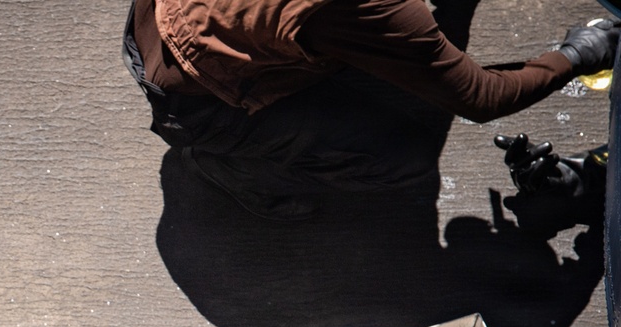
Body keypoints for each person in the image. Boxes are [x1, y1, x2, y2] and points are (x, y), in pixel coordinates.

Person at [123, 0, 620, 219]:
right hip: (198, 100)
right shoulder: (362, 6)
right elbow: (482, 97)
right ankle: (238, 167)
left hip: (158, 17)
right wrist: (576, 55)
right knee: (406, 157)